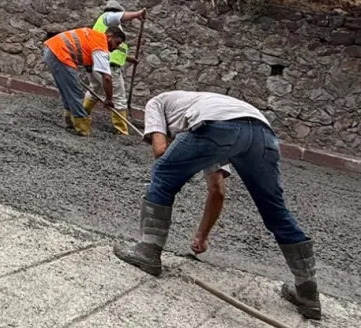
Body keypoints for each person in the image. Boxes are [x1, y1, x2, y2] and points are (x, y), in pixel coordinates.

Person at [114, 90, 321, 320]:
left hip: (217, 127)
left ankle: (147, 251)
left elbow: (160, 151)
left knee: (162, 174)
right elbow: (217, 189)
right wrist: (202, 236)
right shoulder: (202, 108)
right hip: (262, 133)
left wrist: (167, 145)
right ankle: (307, 291)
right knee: (275, 211)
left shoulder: (157, 102)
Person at [42, 25, 127, 136]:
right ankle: (82, 128)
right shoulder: (101, 44)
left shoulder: (94, 36)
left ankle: (70, 122)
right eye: (117, 42)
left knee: (68, 92)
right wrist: (109, 99)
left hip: (51, 49)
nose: (117, 47)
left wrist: (88, 65)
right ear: (109, 36)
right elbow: (106, 78)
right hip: (60, 53)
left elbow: (83, 49)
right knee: (75, 92)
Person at [86, 1, 145, 134]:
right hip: (108, 66)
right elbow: (110, 49)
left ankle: (82, 113)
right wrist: (137, 14)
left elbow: (116, 50)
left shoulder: (110, 27)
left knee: (94, 90)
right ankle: (121, 130)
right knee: (119, 97)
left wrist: (130, 59)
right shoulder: (108, 18)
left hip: (97, 62)